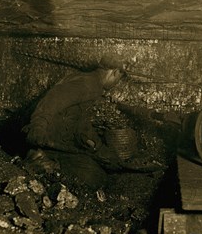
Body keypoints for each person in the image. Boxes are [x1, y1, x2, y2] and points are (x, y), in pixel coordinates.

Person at [23, 56, 132, 189]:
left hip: (56, 139)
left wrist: (99, 148)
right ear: (115, 72)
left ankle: (43, 161)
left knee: (95, 171)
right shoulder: (89, 84)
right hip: (47, 140)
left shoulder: (87, 80)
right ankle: (42, 163)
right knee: (94, 177)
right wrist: (38, 126)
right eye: (119, 79)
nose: (117, 83)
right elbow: (52, 99)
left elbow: (81, 125)